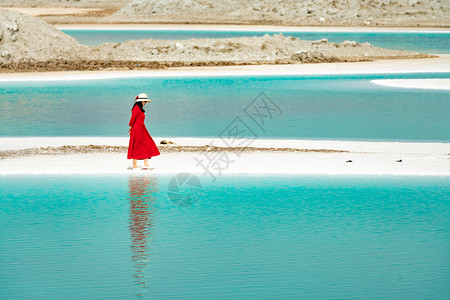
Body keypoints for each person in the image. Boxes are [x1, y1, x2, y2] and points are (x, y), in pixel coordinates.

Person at [128, 93, 160, 170]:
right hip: (137, 129)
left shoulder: (139, 108)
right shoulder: (136, 108)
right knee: (137, 145)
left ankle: (146, 163)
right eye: (144, 101)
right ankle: (135, 166)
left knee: (147, 143)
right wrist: (130, 127)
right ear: (141, 101)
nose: (145, 103)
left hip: (141, 128)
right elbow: (133, 119)